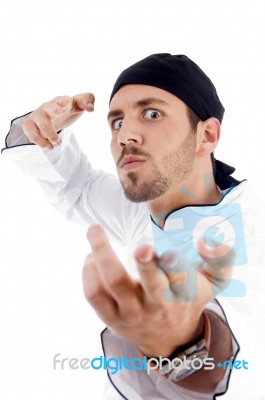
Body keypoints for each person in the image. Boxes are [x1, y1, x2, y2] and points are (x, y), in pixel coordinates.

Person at [2, 54, 265, 400]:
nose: (126, 135)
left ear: (207, 136)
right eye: (116, 122)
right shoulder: (144, 208)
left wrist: (180, 346)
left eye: (152, 114)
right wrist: (45, 132)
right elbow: (78, 187)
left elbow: (246, 358)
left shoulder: (244, 235)